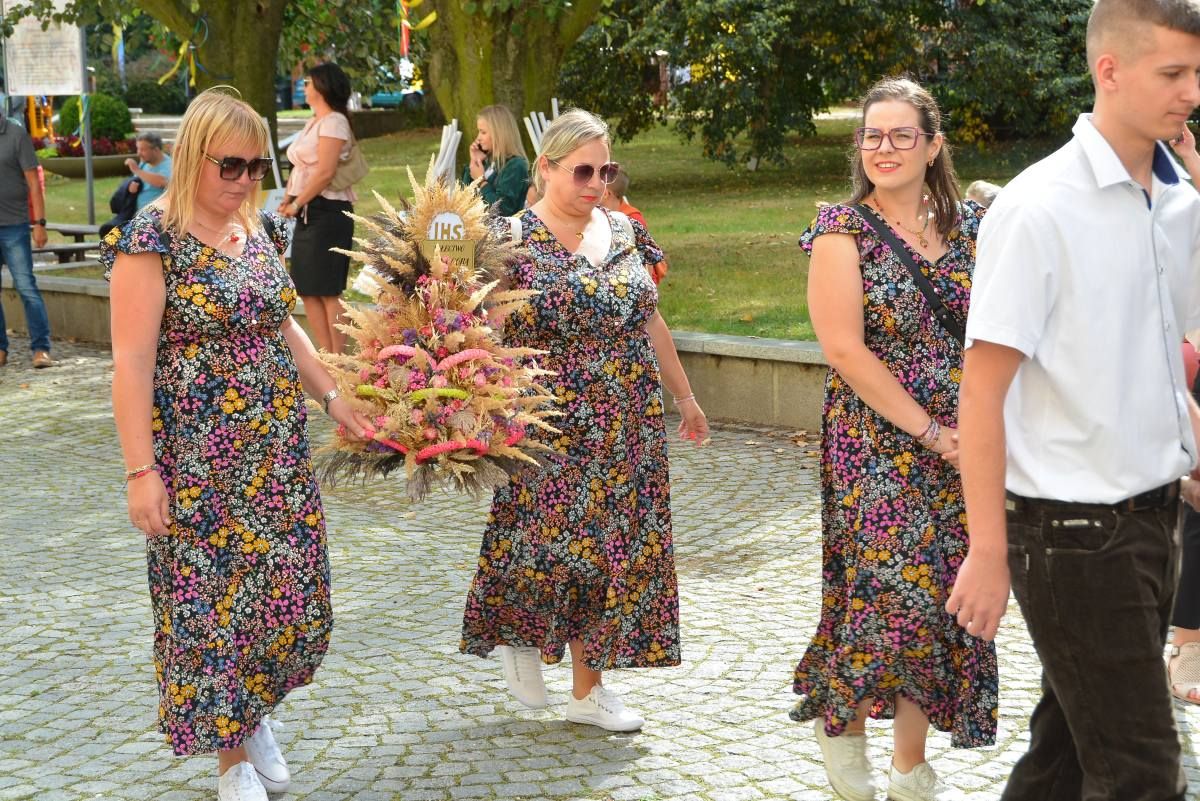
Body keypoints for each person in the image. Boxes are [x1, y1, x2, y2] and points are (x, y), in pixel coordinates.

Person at [950, 1, 1200, 799]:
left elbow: (1157, 352)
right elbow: (981, 392)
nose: (1193, 93)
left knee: (1061, 762)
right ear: (1109, 70)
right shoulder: (1037, 207)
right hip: (1072, 539)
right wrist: (988, 550)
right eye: (1173, 73)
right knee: (1142, 773)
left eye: (1198, 72)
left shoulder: (1178, 202)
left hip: (1157, 518)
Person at [102, 88, 370, 801]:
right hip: (198, 464)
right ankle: (232, 758)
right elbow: (131, 364)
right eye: (231, 165)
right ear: (194, 154)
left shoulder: (257, 230)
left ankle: (252, 715)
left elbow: (287, 327)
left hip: (275, 457)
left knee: (291, 598)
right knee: (215, 608)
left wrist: (335, 397)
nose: (245, 179)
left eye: (255, 167)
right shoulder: (150, 242)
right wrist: (140, 470)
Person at [459, 108, 709, 732]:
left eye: (606, 170)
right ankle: (519, 631)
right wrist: (477, 408)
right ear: (545, 168)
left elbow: (651, 319)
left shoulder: (624, 231)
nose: (597, 183)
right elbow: (482, 332)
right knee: (545, 543)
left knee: (611, 550)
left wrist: (685, 398)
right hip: (549, 422)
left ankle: (587, 689)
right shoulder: (509, 238)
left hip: (627, 424)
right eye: (582, 171)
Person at [792, 76, 996, 801]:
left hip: (966, 440)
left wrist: (974, 431)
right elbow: (844, 349)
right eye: (871, 135)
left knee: (944, 599)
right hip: (874, 444)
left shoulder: (974, 229)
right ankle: (843, 726)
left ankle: (910, 764)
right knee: (888, 594)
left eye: (901, 134)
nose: (884, 147)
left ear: (933, 145)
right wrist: (932, 431)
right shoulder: (841, 231)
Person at [282, 62, 359, 354]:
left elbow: (325, 172)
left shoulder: (334, 122)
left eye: (308, 83)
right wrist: (289, 198)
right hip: (307, 210)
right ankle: (326, 356)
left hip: (328, 211)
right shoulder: (314, 121)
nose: (303, 88)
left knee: (327, 289)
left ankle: (339, 358)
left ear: (322, 86)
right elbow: (302, 168)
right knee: (307, 288)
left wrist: (298, 201)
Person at [0, 112, 52, 368]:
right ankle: (1, 349)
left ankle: (41, 348)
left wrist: (39, 223)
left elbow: (34, 183)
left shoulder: (16, 134)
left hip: (14, 226)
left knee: (26, 288)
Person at [599, 166, 669, 284]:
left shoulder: (632, 219)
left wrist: (647, 288)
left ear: (606, 193)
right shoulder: (597, 215)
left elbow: (646, 259)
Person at [461, 104, 530, 217]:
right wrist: (474, 161)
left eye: (483, 132)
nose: (478, 138)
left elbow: (502, 210)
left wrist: (481, 182)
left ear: (499, 134)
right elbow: (463, 198)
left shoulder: (515, 166)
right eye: (479, 132)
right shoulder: (487, 162)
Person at [124, 131, 172, 211]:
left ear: (156, 150)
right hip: (138, 213)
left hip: (156, 215)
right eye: (138, 149)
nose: (138, 153)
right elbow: (138, 180)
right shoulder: (145, 162)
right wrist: (131, 187)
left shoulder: (169, 164)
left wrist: (137, 170)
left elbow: (163, 182)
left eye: (142, 150)